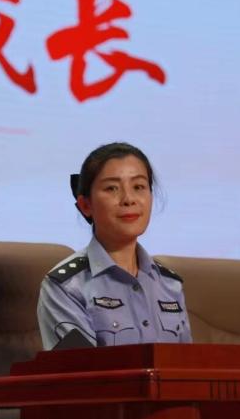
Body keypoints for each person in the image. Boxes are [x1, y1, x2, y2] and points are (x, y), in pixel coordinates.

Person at [37, 142, 192, 349]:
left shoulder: (169, 285)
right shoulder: (66, 287)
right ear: (86, 205)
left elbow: (186, 365)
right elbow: (81, 368)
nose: (128, 199)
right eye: (112, 188)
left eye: (138, 187)